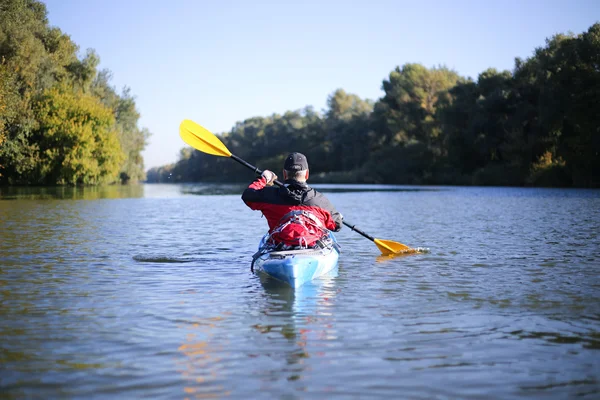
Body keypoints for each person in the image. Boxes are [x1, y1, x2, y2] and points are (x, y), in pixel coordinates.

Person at [242, 152, 342, 246]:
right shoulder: (320, 200)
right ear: (307, 174)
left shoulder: (270, 195)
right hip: (311, 248)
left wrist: (264, 178)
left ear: (284, 174)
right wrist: (339, 217)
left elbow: (248, 196)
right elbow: (337, 226)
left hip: (280, 248)